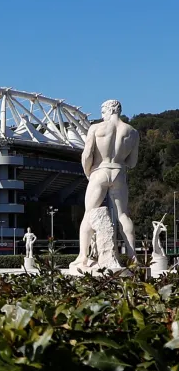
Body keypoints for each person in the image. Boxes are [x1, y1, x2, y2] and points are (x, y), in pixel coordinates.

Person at [77, 99, 139, 263]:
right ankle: (133, 257)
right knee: (123, 215)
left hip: (100, 170)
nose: (102, 115)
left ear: (110, 110)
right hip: (119, 172)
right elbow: (132, 163)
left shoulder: (96, 128)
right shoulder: (132, 132)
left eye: (103, 112)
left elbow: (86, 154)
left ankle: (83, 256)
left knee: (89, 213)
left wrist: (88, 173)